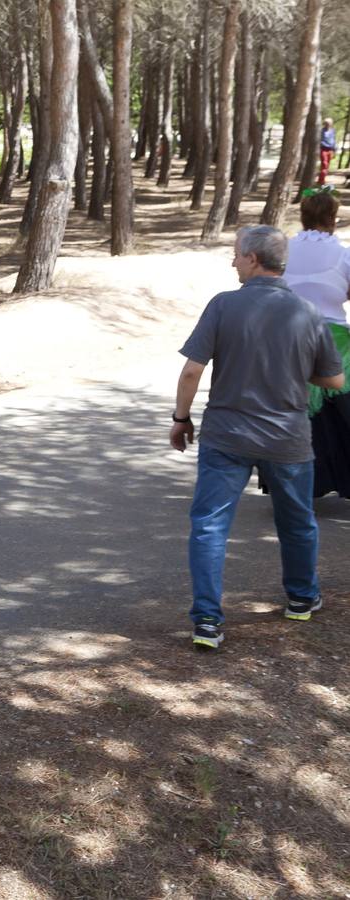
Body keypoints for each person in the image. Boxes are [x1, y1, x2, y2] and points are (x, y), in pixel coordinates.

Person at [172, 225, 345, 650]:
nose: (233, 261)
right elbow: (335, 379)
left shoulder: (224, 305)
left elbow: (193, 370)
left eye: (236, 254)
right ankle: (302, 598)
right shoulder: (307, 313)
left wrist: (181, 418)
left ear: (252, 259)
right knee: (297, 522)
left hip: (226, 436)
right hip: (287, 439)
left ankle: (208, 622)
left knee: (210, 527)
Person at [288, 187, 350, 497]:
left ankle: (296, 483)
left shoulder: (283, 249)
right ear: (332, 218)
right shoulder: (344, 254)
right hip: (334, 338)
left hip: (289, 335)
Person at [320, 119, 336, 186]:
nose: (327, 125)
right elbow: (320, 140)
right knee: (324, 164)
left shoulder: (332, 131)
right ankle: (321, 181)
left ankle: (322, 180)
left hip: (331, 150)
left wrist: (334, 149)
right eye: (326, 123)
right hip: (324, 149)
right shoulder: (322, 131)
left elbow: (333, 140)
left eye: (329, 123)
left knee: (327, 166)